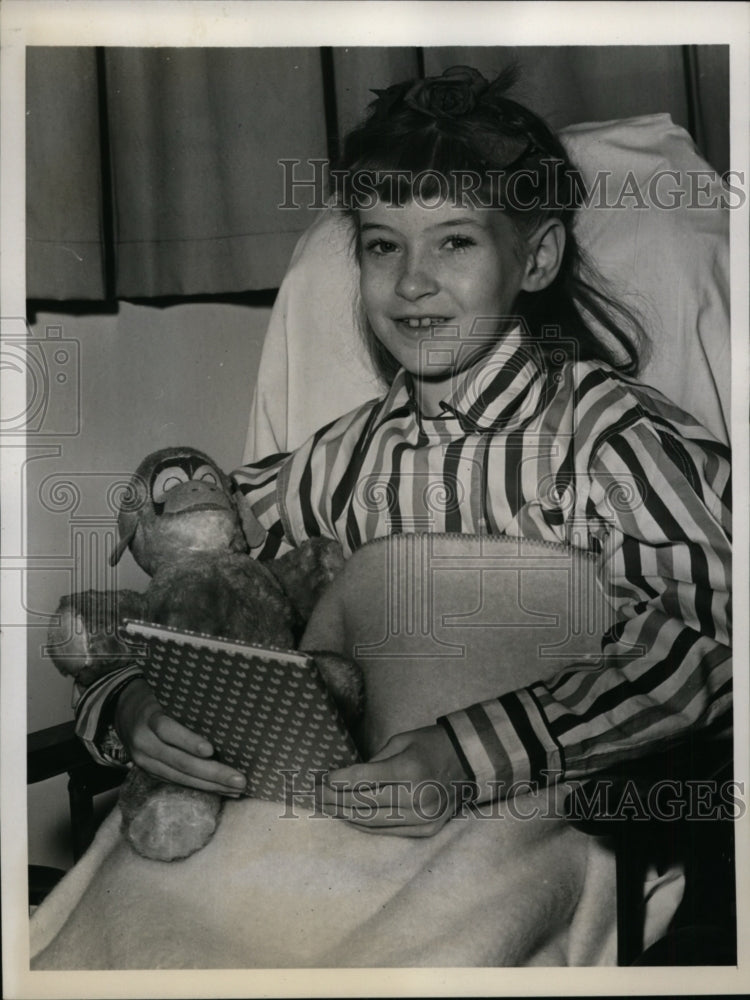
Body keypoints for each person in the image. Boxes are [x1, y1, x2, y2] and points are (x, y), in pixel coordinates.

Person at [76, 65, 732, 837]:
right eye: (383, 247)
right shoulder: (338, 462)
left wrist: (466, 755)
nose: (412, 281)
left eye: (454, 241)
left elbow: (709, 646)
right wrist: (130, 699)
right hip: (341, 829)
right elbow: (191, 584)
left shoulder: (613, 442)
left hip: (546, 828)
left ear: (538, 258)